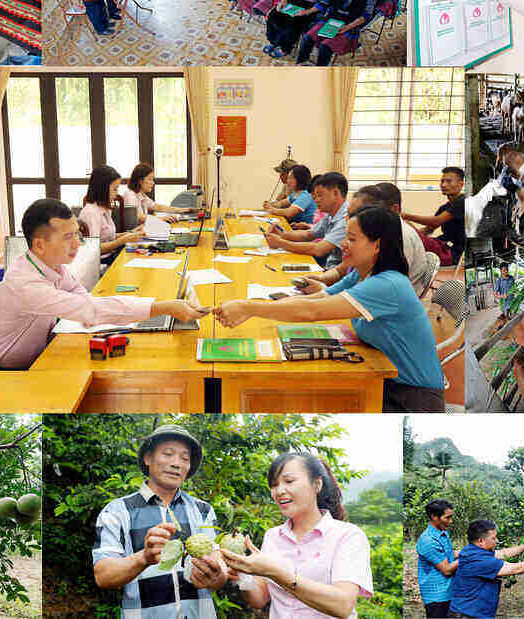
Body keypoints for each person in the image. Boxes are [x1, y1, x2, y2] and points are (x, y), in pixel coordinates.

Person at [216, 207, 444, 411]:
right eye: (346, 236)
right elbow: (316, 300)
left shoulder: (387, 285)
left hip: (411, 397)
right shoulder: (361, 273)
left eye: (352, 239)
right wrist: (249, 307)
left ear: (378, 245)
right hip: (386, 379)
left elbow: (312, 313)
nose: (343, 244)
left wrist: (250, 308)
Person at [0, 199, 207, 368]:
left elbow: (86, 302)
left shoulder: (54, 265)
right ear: (39, 244)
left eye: (76, 234)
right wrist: (163, 307)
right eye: (68, 237)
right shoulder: (24, 283)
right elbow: (91, 310)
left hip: (35, 359)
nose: (77, 244)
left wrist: (104, 314)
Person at [93, 424, 225, 618]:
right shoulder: (117, 511)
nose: (176, 463)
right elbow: (103, 575)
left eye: (185, 458)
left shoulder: (202, 510)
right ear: (148, 458)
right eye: (168, 453)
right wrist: (144, 557)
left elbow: (219, 574)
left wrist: (214, 575)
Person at [220, 452, 373, 618]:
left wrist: (275, 572)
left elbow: (342, 605)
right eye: (274, 485)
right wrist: (242, 576)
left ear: (317, 485)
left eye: (289, 481)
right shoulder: (272, 536)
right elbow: (260, 599)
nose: (279, 491)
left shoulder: (348, 536)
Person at [297, 183, 429, 296]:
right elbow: (344, 271)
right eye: (349, 213)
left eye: (357, 214)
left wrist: (323, 290)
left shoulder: (396, 240)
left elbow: (368, 295)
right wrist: (321, 280)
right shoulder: (366, 246)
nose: (347, 219)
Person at [449, 519, 524, 618]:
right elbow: (514, 569)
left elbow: (503, 553)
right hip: (468, 614)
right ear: (481, 541)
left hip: (466, 610)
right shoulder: (481, 561)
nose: (497, 541)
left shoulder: (471, 550)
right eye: (493, 538)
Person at [264, 171, 349, 270]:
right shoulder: (330, 214)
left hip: (335, 272)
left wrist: (281, 243)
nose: (316, 200)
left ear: (335, 193)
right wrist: (282, 235)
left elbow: (319, 249)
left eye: (320, 195)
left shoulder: (346, 218)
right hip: (330, 268)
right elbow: (308, 234)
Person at [401, 167, 466, 266]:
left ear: (461, 184)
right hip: (442, 244)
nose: (443, 185)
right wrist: (409, 232)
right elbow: (428, 229)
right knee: (407, 231)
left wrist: (405, 216)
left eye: (449, 181)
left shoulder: (464, 201)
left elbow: (435, 221)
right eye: (442, 181)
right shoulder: (444, 208)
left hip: (453, 252)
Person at [80, 165, 146, 260]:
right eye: (115, 189)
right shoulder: (91, 213)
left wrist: (132, 233)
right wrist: (122, 240)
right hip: (102, 262)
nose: (117, 193)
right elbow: (94, 248)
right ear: (102, 189)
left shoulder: (104, 208)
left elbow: (108, 237)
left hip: (111, 255)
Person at [416, 499, 457, 618]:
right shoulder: (428, 540)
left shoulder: (442, 533)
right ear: (434, 516)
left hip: (448, 591)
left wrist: (470, 551)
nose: (450, 521)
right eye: (447, 518)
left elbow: (448, 554)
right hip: (437, 597)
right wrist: (469, 557)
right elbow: (447, 569)